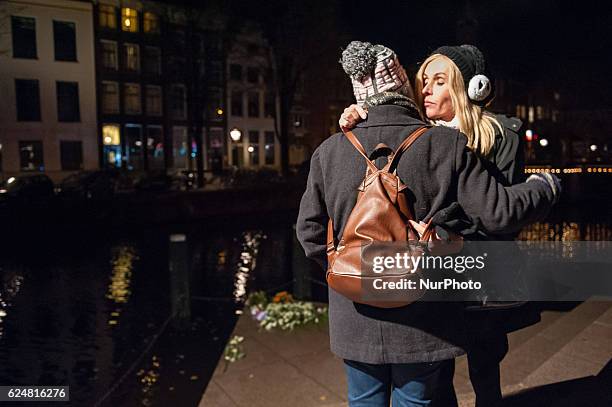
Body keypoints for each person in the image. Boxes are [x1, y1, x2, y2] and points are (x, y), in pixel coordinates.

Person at [297, 41, 560, 407]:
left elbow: (309, 232)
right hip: (424, 310)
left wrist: (347, 267)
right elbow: (498, 212)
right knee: (419, 400)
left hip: (353, 313)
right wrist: (544, 187)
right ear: (404, 87)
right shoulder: (445, 144)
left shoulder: (328, 150)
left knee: (364, 400)